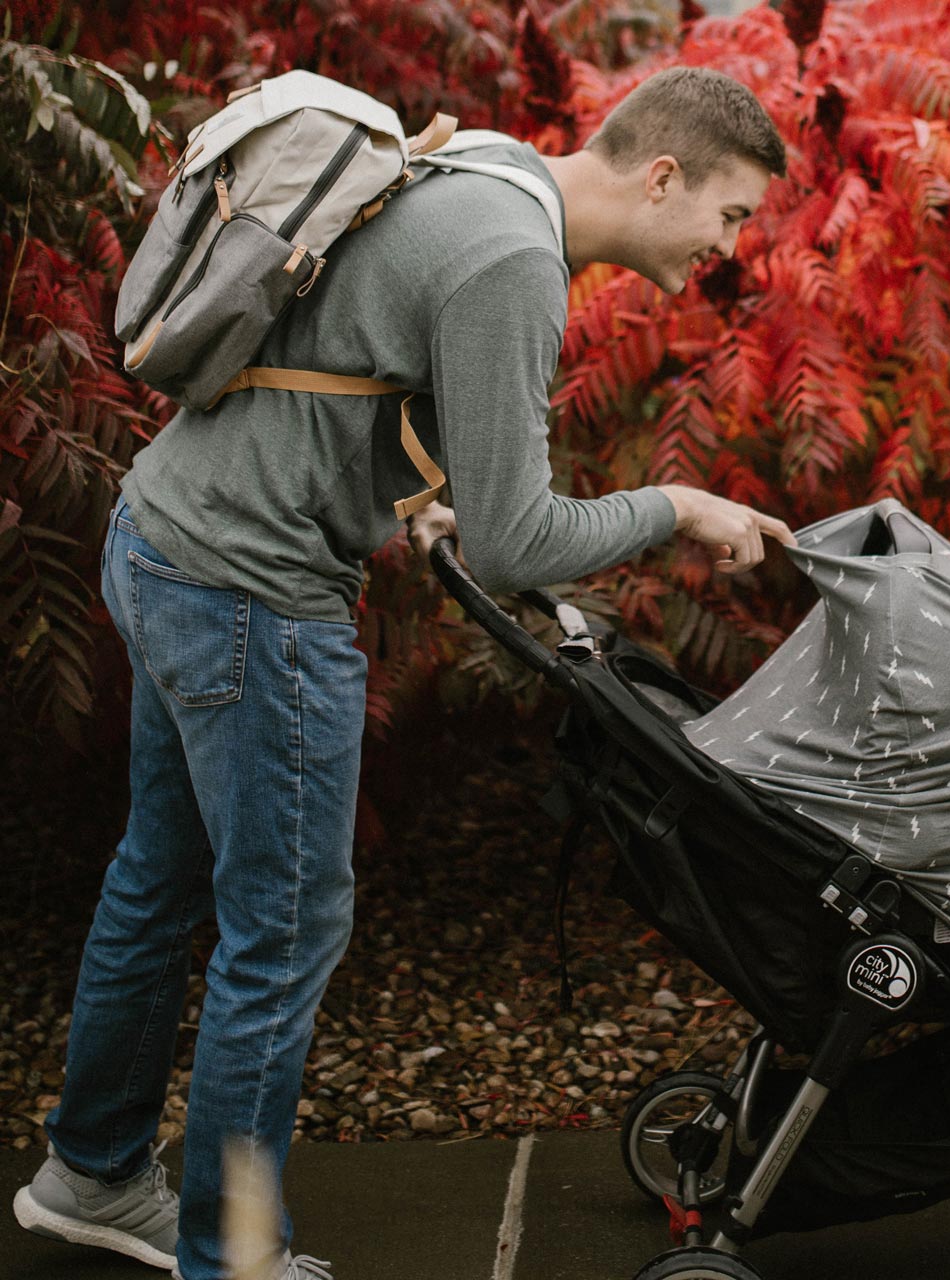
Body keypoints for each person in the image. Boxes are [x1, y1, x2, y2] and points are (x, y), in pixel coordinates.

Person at [12, 65, 794, 1280]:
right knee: (280, 934)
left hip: (162, 535)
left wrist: (410, 495)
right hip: (249, 599)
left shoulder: (483, 163)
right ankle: (236, 1256)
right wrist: (676, 502)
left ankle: (93, 1173)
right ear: (660, 177)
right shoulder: (515, 259)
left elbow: (353, 353)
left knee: (161, 879)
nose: (726, 246)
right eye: (729, 215)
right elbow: (520, 540)